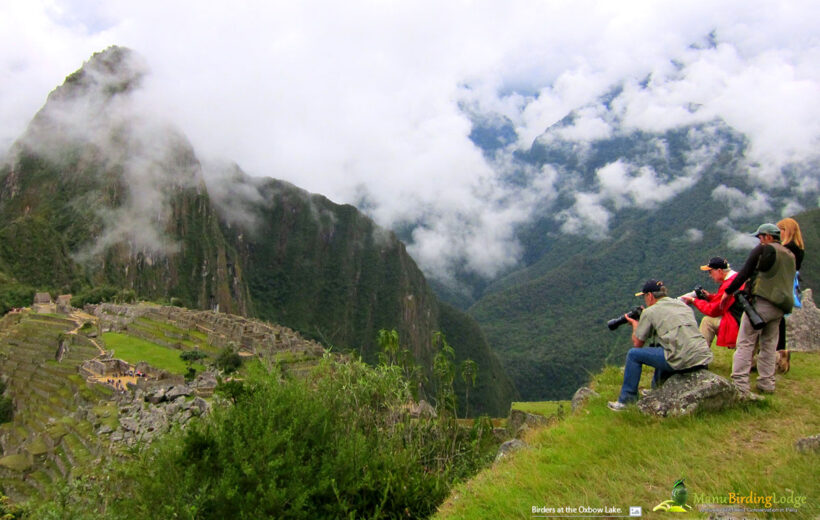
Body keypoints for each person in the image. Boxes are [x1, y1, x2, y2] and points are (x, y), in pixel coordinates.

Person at [608, 279, 714, 411]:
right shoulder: (682, 305)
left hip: (682, 359)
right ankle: (657, 388)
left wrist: (635, 325)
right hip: (702, 357)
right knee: (665, 347)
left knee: (633, 355)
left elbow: (637, 343)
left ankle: (626, 400)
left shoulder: (650, 312)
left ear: (650, 296)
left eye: (645, 297)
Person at [722, 223, 796, 394]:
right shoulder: (790, 255)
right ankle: (766, 383)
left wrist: (728, 292)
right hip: (780, 307)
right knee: (769, 345)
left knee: (746, 343)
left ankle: (739, 383)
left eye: (760, 237)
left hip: (761, 303)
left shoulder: (764, 250)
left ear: (768, 236)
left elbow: (745, 272)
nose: (759, 241)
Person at [681, 257, 744, 349]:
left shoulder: (728, 284)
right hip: (743, 318)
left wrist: (694, 301)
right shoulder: (737, 278)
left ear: (719, 271)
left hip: (736, 322)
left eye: (710, 272)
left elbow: (713, 310)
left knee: (707, 321)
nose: (710, 275)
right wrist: (709, 297)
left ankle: (700, 354)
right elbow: (725, 301)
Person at [775, 218, 805, 362]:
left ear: (785, 231)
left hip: (780, 285)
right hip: (789, 286)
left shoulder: (787, 249)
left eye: (779, 230)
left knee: (775, 319)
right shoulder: (799, 249)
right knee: (780, 319)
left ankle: (776, 353)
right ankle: (782, 352)